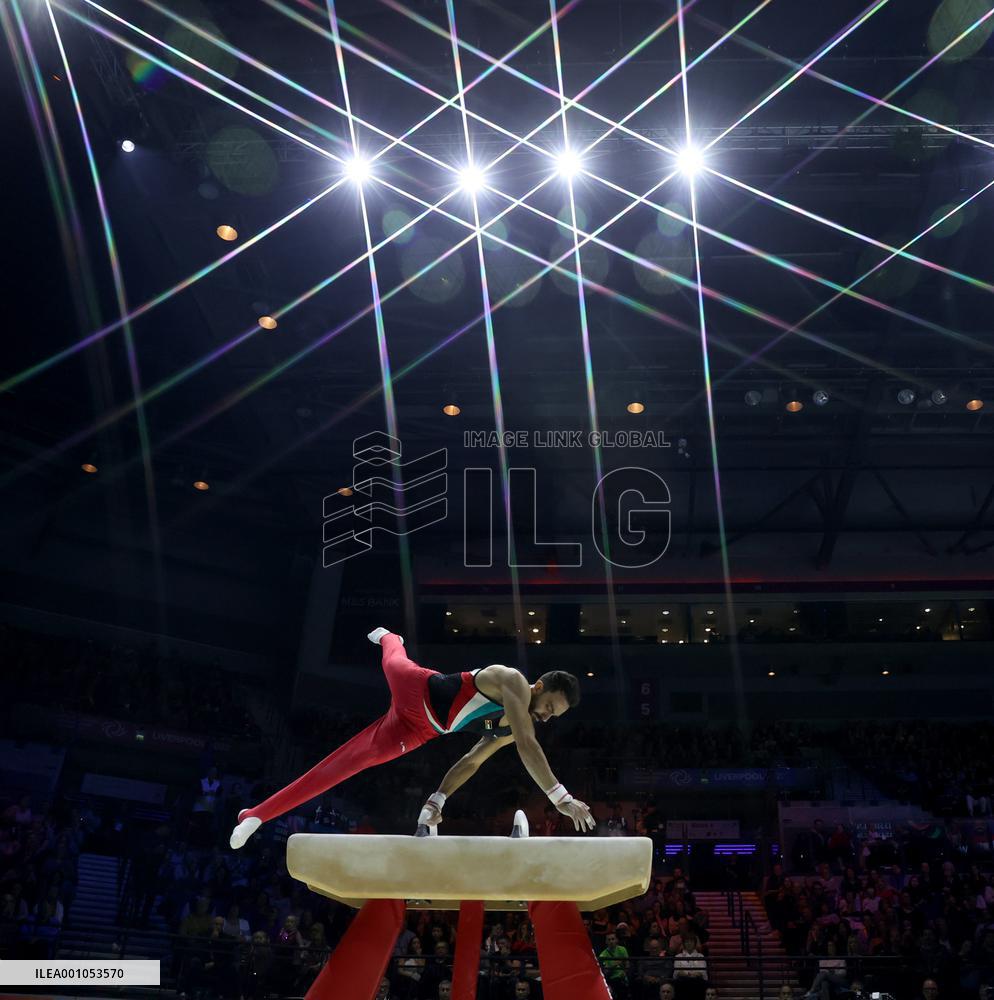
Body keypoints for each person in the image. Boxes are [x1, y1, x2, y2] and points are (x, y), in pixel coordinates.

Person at [230, 629, 593, 848]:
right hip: (416, 688)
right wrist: (560, 797)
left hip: (418, 731)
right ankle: (391, 638)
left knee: (344, 765)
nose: (546, 716)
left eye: (553, 716)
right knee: (392, 659)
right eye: (549, 706)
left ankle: (257, 814)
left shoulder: (512, 730)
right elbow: (529, 746)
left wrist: (438, 799)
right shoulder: (512, 681)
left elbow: (472, 761)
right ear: (538, 687)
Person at [600, 930, 631, 999]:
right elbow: (606, 973)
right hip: (612, 979)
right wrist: (614, 965)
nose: (611, 941)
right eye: (609, 940)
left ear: (616, 940)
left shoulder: (623, 949)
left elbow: (627, 965)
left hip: (623, 977)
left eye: (613, 939)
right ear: (606, 942)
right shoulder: (603, 955)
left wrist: (624, 973)